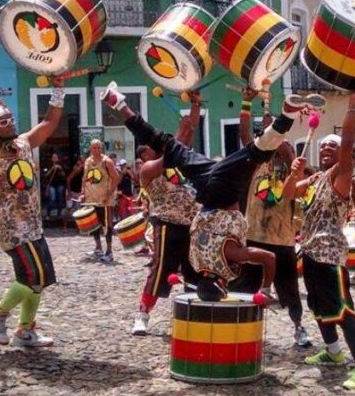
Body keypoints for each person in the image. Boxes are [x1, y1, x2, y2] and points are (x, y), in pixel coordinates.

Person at [103, 81, 325, 302]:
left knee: (257, 151)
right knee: (160, 141)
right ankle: (118, 102)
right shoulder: (197, 261)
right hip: (204, 184)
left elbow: (268, 258)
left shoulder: (230, 257)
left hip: (222, 192)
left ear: (221, 284)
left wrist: (265, 289)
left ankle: (286, 115)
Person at [282, 85, 355, 392]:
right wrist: (294, 173)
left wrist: (351, 105)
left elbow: (349, 143)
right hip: (310, 253)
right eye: (322, 146)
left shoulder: (342, 174)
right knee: (319, 307)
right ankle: (334, 352)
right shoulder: (314, 179)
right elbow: (286, 195)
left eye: (332, 147)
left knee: (343, 309)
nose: (326, 149)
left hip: (330, 255)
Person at [0, 78, 65, 347]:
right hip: (11, 229)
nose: (9, 123)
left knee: (38, 281)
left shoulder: (23, 144)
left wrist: (57, 89)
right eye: (3, 121)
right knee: (35, 277)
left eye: (10, 118)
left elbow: (49, 124)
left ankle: (25, 331)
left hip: (33, 225)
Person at [229, 87, 311, 347]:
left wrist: (281, 137)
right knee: (245, 286)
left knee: (289, 291)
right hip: (254, 235)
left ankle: (298, 327)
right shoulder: (255, 161)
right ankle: (240, 328)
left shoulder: (291, 167)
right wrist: (245, 102)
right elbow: (243, 134)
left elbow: (288, 152)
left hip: (283, 238)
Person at [131, 90, 203, 335]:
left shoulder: (173, 160)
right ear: (144, 155)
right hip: (167, 224)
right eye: (152, 148)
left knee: (195, 270)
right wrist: (182, 130)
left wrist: (195, 104)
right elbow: (180, 141)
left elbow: (189, 132)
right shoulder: (148, 169)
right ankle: (142, 314)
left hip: (192, 224)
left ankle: (193, 315)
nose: (157, 149)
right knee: (161, 268)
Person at [81, 140, 119, 263]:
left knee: (106, 224)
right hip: (92, 198)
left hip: (105, 199)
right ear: (90, 149)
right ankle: (98, 247)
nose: (96, 149)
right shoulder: (88, 161)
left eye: (98, 147)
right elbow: (85, 177)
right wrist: (83, 192)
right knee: (94, 223)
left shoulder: (107, 162)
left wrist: (109, 193)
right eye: (94, 147)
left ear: (101, 148)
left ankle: (109, 251)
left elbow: (116, 178)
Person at [42, 153, 66, 221]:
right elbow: (45, 175)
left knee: (60, 200)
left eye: (56, 157)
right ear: (51, 158)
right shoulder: (47, 165)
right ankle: (48, 214)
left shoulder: (61, 165)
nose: (55, 158)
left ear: (58, 158)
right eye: (53, 157)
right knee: (52, 199)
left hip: (60, 185)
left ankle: (59, 214)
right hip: (51, 185)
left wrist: (60, 169)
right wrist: (53, 168)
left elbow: (64, 176)